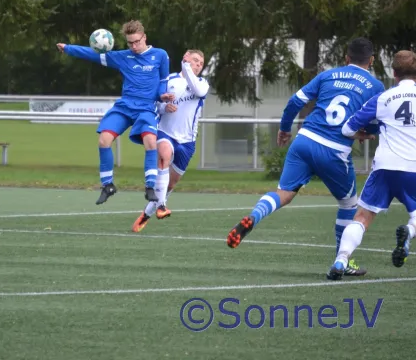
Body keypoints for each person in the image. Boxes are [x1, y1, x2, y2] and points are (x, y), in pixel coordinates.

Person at [226, 37, 386, 277]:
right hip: (334, 149)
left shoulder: (328, 75)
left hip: (304, 140)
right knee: (349, 205)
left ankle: (254, 216)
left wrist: (284, 128)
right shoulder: (375, 85)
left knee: (284, 193)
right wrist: (365, 132)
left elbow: (295, 101)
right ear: (371, 60)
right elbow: (375, 120)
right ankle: (341, 260)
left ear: (346, 58)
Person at [56, 20, 170, 205]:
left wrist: (162, 95)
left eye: (137, 42)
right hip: (125, 106)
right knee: (104, 140)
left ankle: (150, 187)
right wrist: (68, 48)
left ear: (144, 37)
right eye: (130, 43)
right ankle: (107, 185)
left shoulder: (160, 55)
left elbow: (163, 80)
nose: (134, 46)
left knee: (150, 141)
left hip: (146, 108)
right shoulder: (123, 57)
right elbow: (92, 54)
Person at [327, 50, 416, 280]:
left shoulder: (383, 98)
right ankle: (408, 233)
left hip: (384, 167)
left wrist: (364, 134)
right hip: (413, 168)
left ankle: (341, 259)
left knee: (362, 218)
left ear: (394, 73)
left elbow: (347, 128)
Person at [131, 50, 210, 233]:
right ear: (186, 56)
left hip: (187, 141)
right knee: (164, 156)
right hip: (165, 133)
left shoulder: (202, 83)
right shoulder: (168, 80)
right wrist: (164, 107)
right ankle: (161, 206)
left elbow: (198, 91)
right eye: (195, 60)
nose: (198, 65)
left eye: (201, 63)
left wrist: (186, 66)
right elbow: (155, 104)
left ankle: (146, 214)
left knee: (171, 185)